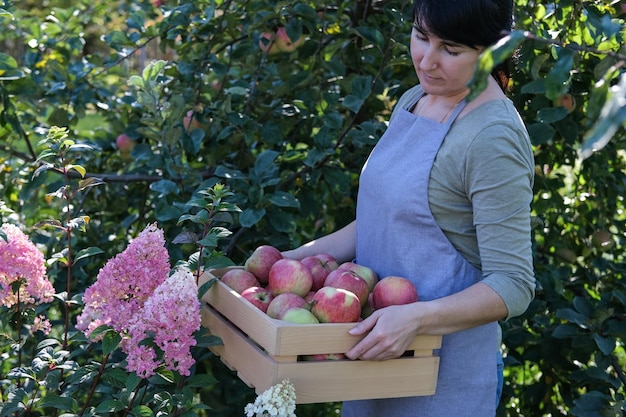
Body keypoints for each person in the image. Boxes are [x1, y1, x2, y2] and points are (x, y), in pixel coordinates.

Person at [282, 0, 535, 415]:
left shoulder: (492, 138)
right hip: (373, 363)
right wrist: (293, 260)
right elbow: (383, 221)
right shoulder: (416, 98)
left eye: (450, 50)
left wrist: (416, 318)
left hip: (442, 380)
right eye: (420, 36)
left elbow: (512, 283)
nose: (426, 60)